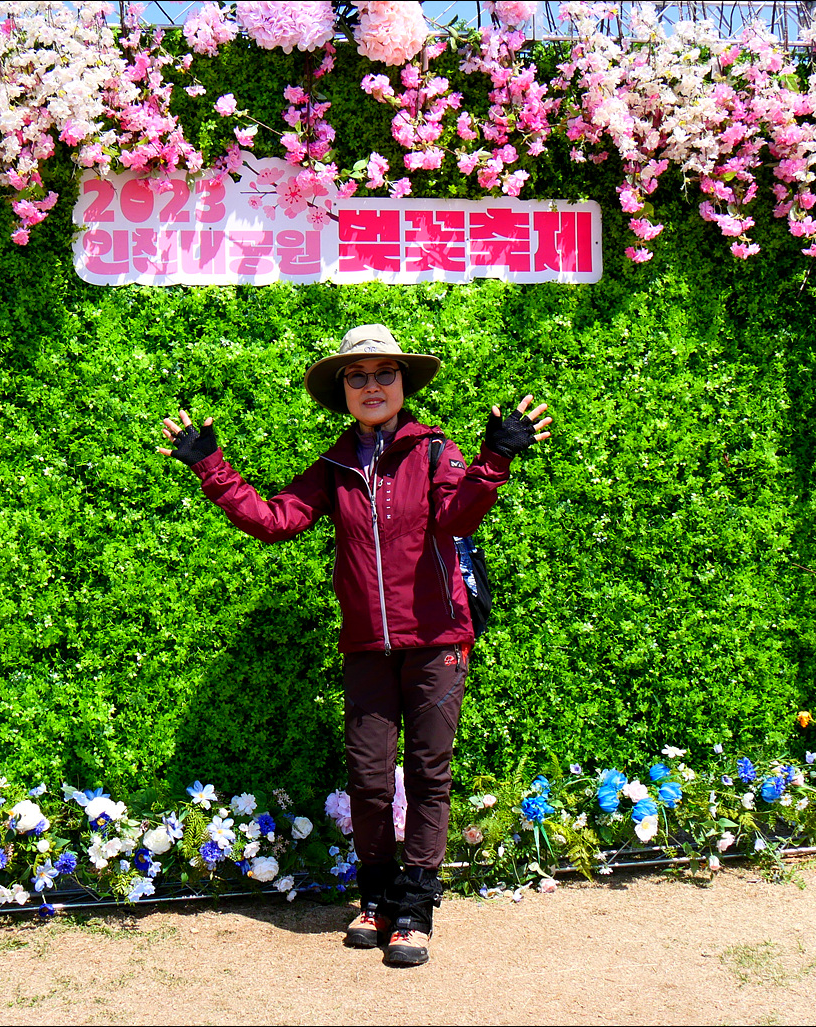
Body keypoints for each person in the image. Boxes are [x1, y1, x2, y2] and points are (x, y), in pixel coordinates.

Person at [156, 324, 551, 969]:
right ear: (343, 391)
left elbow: (458, 518)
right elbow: (275, 520)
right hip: (367, 645)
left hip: (437, 640)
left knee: (428, 775)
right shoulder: (334, 469)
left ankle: (415, 910)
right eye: (357, 376)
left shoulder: (435, 452)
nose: (372, 385)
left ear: (403, 384)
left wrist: (494, 461)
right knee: (368, 781)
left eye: (384, 373)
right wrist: (211, 467)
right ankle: (375, 900)